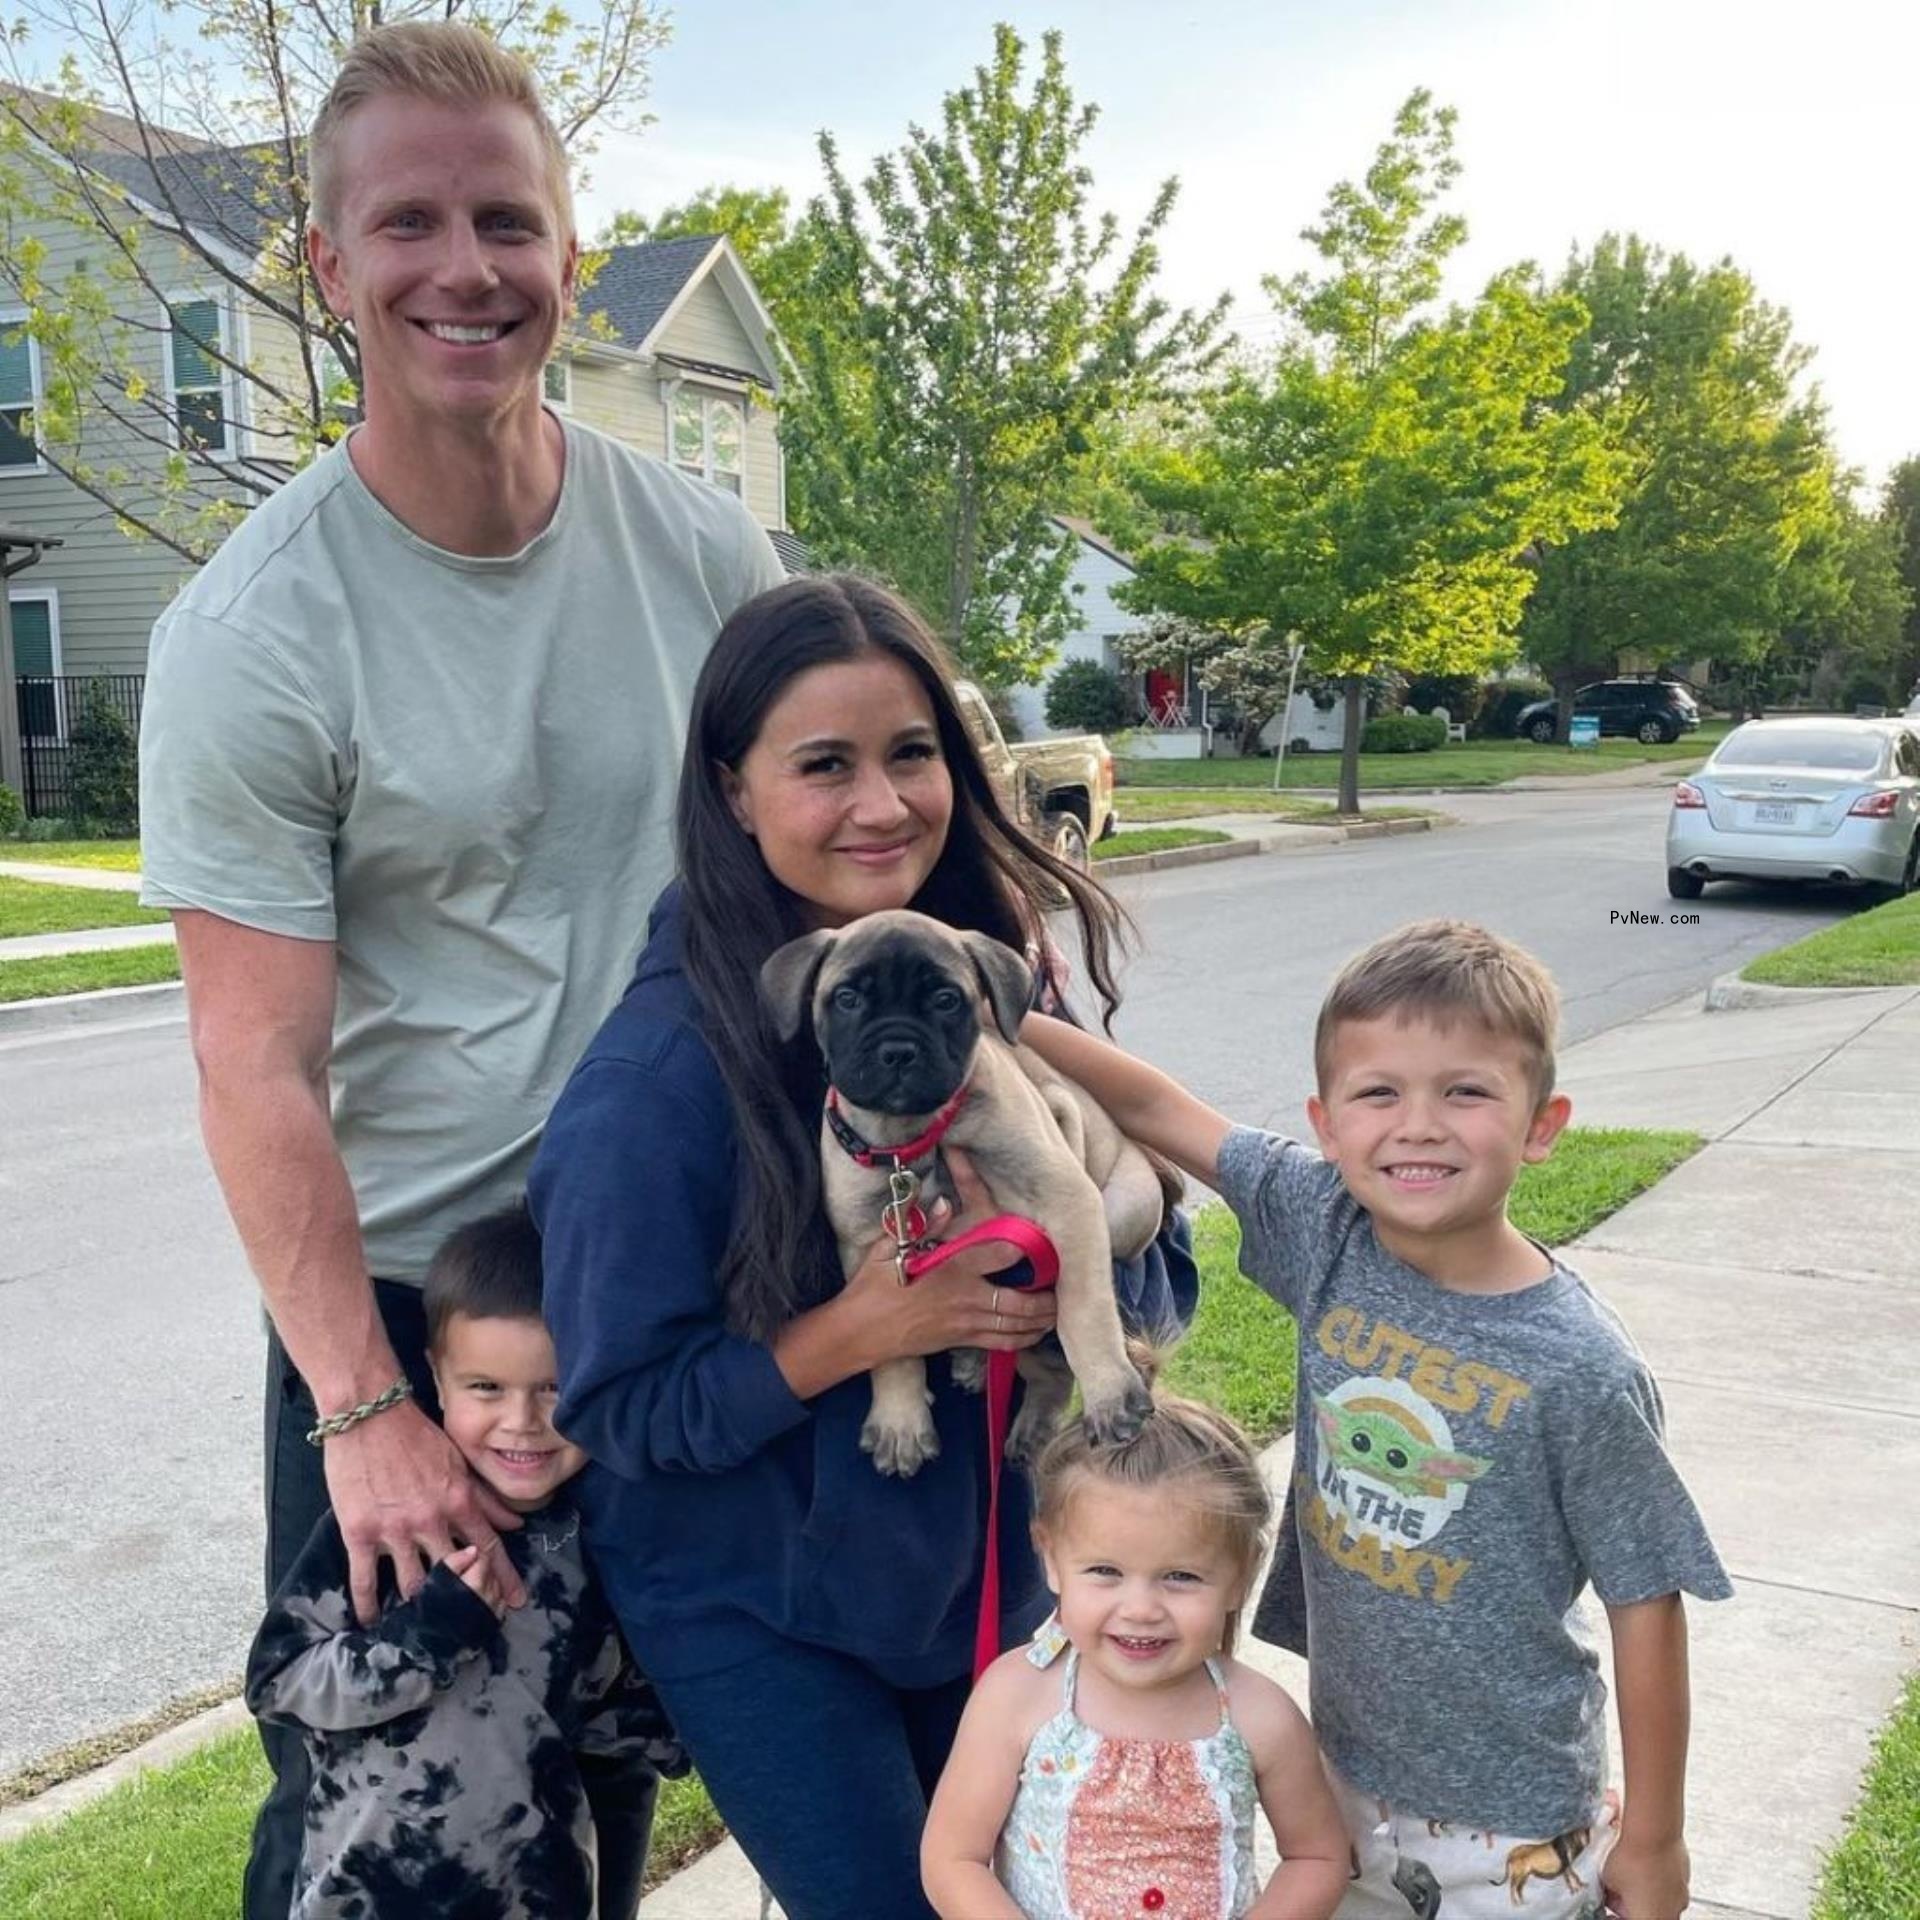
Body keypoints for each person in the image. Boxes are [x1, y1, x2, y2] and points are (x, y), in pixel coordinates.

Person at [135, 23, 786, 1916]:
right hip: (430, 1337)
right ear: (329, 270)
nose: (466, 267)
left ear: (572, 256)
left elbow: (831, 874)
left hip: (689, 1291)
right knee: (380, 1828)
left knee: (608, 1789)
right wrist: (363, 1409)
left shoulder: (709, 549)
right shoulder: (255, 631)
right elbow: (253, 1067)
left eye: (507, 218)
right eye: (406, 223)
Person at [530, 572, 1197, 1920]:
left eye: (912, 754)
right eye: (823, 764)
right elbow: (617, 1411)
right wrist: (867, 1330)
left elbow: (1160, 1274)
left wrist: (1077, 1264)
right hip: (762, 1611)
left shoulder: (979, 985)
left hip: (976, 1572)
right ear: (733, 789)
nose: (884, 803)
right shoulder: (658, 1085)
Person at [1021, 920, 1732, 1920]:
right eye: (1379, 1092)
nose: (1419, 1125)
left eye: (1467, 1090)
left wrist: (1655, 1844)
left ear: (1542, 1123)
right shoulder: (1328, 1229)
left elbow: (1647, 1599)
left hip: (1515, 1816)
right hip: (1344, 1776)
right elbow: (1148, 1103)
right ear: (1325, 1121)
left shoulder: (1580, 1366)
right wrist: (1001, 1009)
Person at [247, 1204, 684, 1918]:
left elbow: (596, 1704)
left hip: (533, 1891)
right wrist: (424, 1639)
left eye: (554, 1387)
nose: (522, 1421)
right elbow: (279, 1682)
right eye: (487, 1388)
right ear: (436, 1382)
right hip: (368, 1895)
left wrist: (682, 1727)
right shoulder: (385, 1534)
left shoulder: (589, 1543)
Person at [920, 1382, 1350, 1919]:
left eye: (1180, 1576)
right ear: (1050, 1558)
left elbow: (1317, 1855)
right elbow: (952, 1857)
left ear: (1241, 1575)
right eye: (1106, 1572)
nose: (1141, 1608)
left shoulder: (1257, 1715)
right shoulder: (1019, 1697)